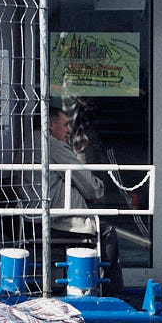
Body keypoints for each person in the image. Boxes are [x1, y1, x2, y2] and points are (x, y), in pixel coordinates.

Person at [40, 104, 123, 293]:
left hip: (31, 217)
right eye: (66, 124)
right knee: (107, 231)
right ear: (51, 125)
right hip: (55, 219)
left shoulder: (29, 140)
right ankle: (111, 292)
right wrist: (96, 190)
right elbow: (87, 183)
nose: (69, 130)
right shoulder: (53, 144)